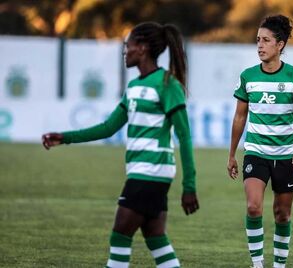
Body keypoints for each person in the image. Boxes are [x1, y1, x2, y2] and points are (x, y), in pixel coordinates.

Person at [42, 22, 199, 268]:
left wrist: (189, 185)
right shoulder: (134, 87)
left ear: (143, 48)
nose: (125, 51)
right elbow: (108, 127)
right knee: (156, 237)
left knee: (120, 235)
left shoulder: (167, 84)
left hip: (151, 172)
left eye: (129, 45)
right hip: (143, 172)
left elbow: (185, 136)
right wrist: (65, 137)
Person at [227, 15, 293, 268]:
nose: (260, 46)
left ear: (280, 45)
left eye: (266, 40)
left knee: (282, 214)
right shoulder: (248, 76)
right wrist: (232, 154)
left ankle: (279, 265)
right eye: (257, 41)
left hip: (286, 154)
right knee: (254, 207)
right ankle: (257, 264)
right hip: (256, 152)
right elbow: (239, 117)